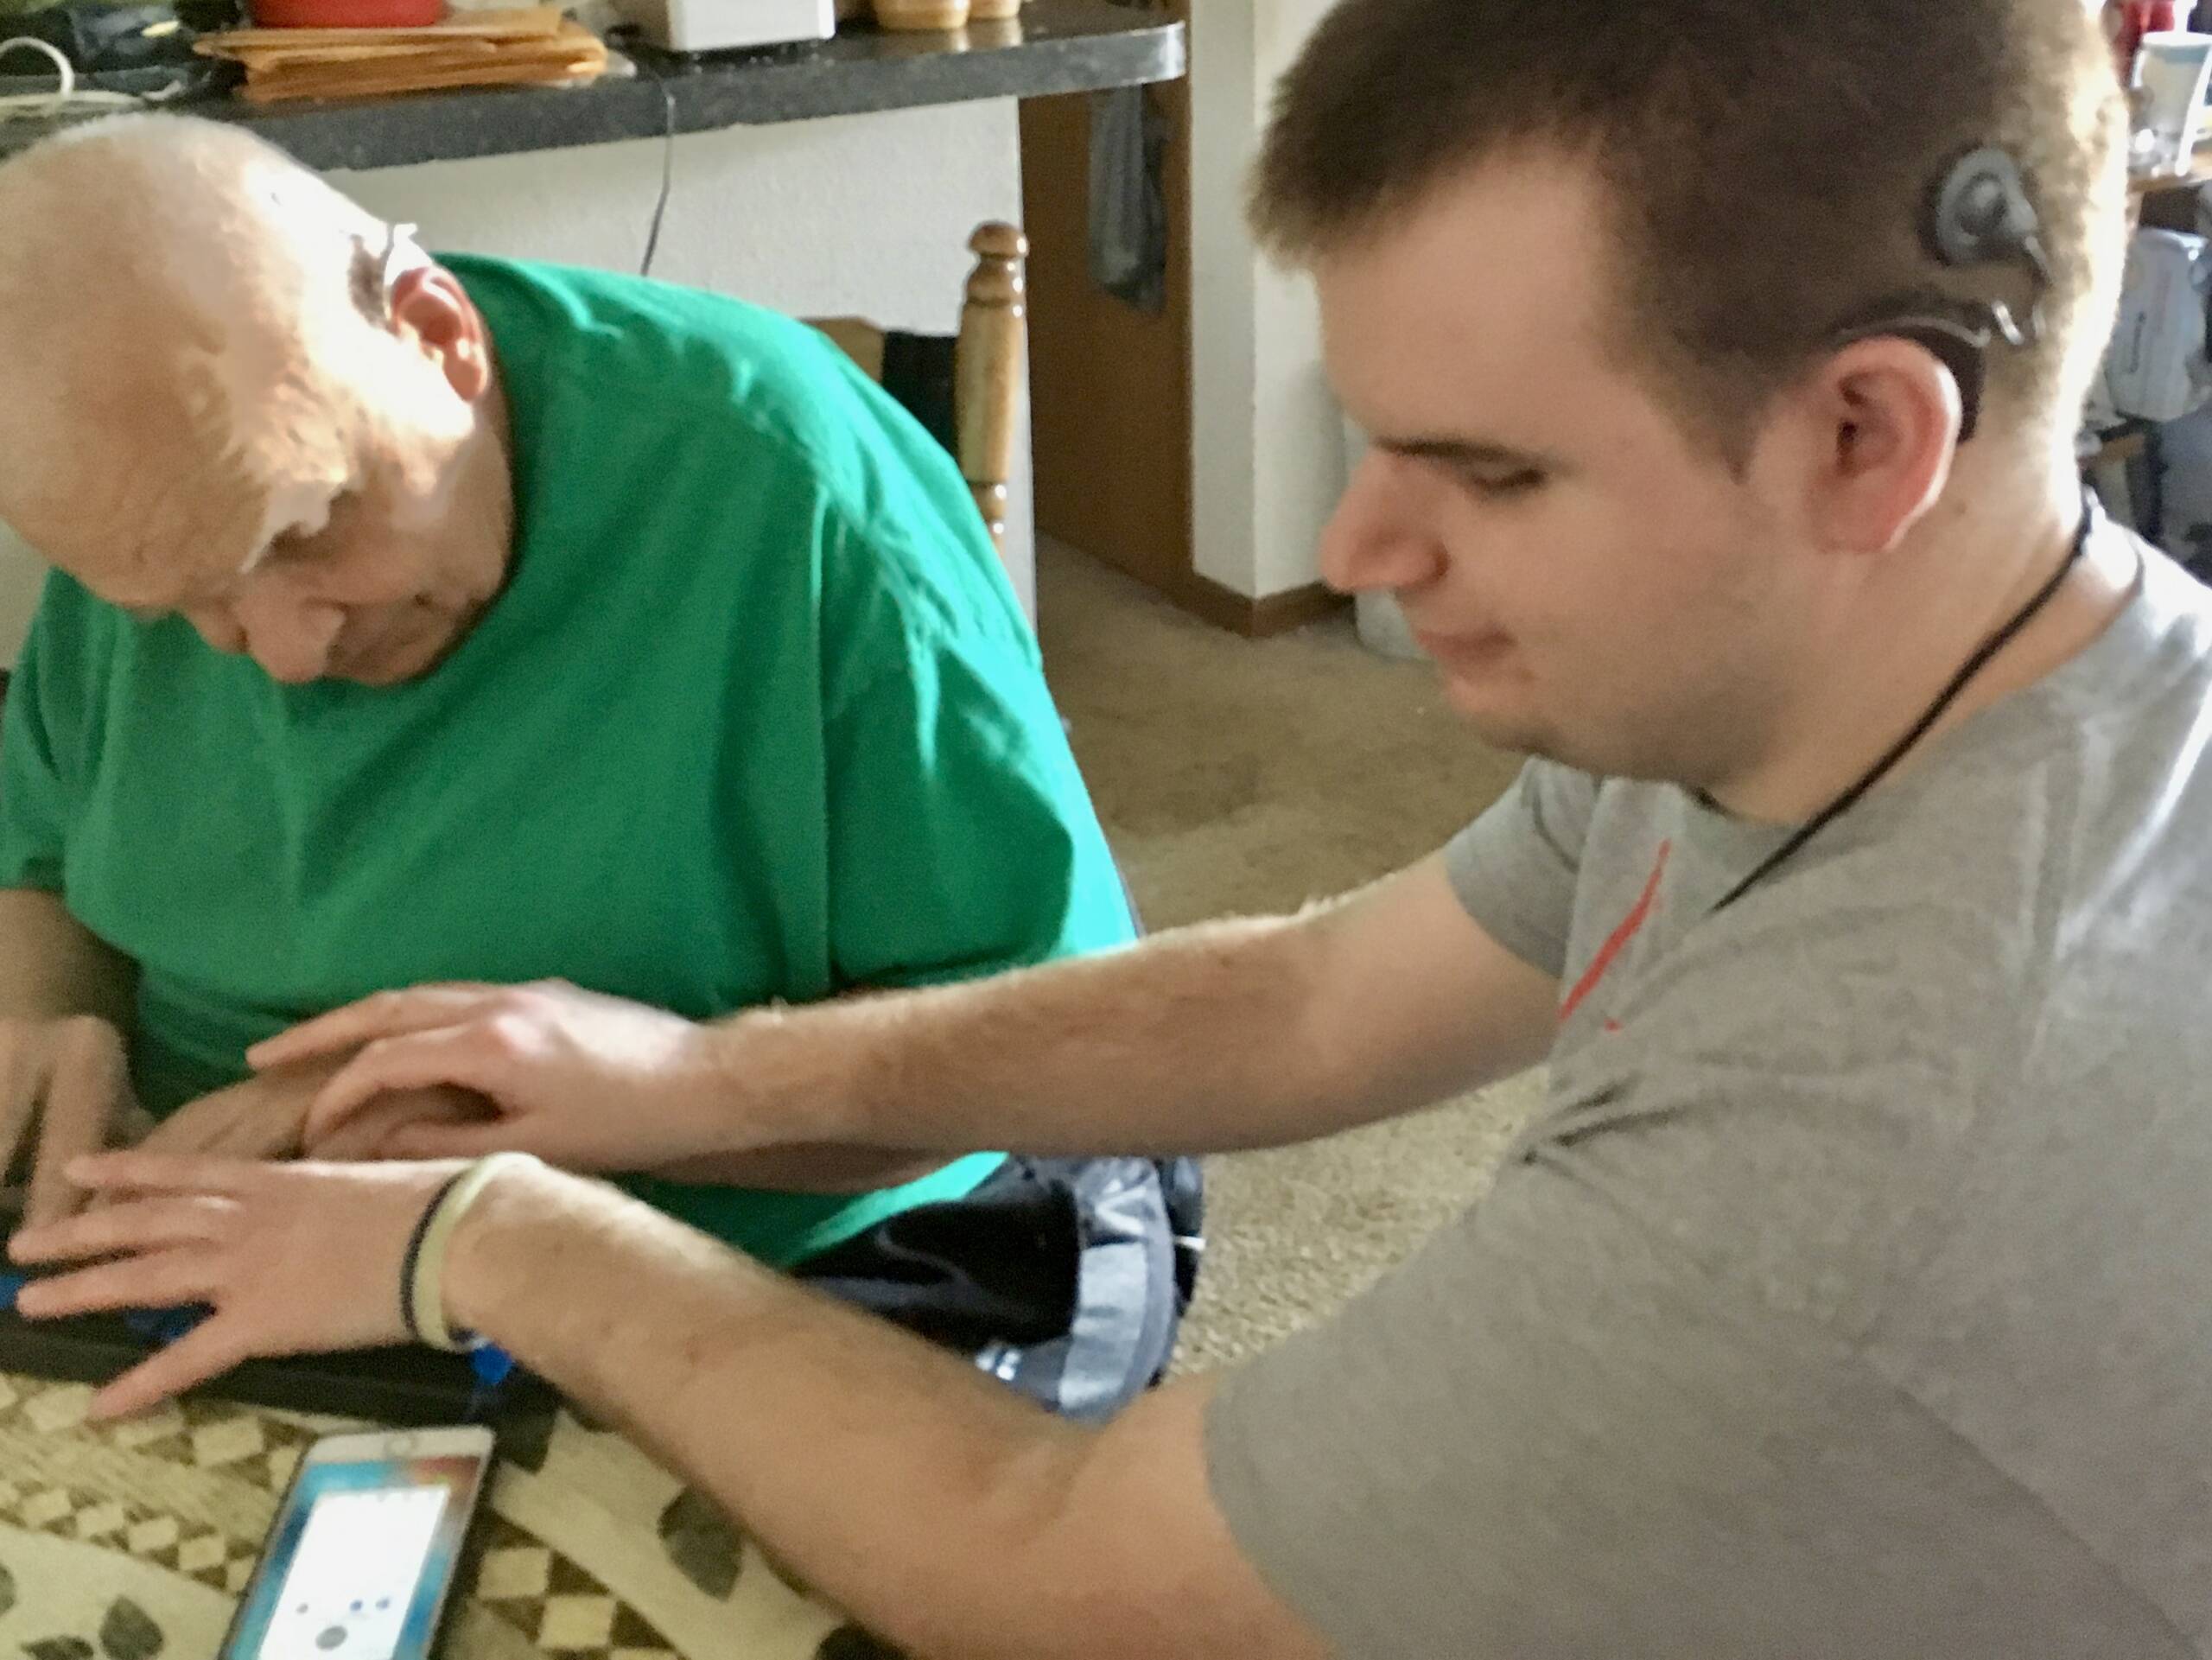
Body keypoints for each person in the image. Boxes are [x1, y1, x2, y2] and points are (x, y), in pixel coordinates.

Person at [14, 0, 2209, 1653]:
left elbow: (1059, 1570)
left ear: (1862, 438)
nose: (1352, 543)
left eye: (1490, 472)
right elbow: (1332, 991)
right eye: (1367, 436)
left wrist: (479, 1223)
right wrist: (680, 1076)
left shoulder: (1868, 1137)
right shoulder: (1850, 702)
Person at [0, 114, 1191, 1419]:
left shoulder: (793, 493)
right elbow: (41, 855)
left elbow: (1055, 1045)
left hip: (760, 1232)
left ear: (440, 339)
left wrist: (538, 1129)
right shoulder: (152, 506)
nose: (281, 652)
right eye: (191, 608)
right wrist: (51, 1013)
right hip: (233, 1224)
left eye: (309, 528)